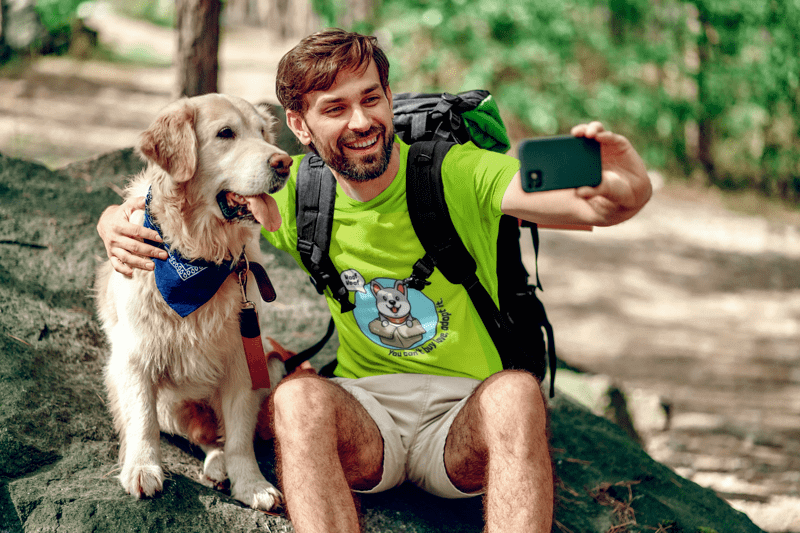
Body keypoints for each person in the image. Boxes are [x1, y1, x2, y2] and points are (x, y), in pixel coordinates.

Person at [97, 28, 652, 533]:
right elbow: (178, 200)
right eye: (334, 108)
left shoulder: (455, 172)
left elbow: (591, 208)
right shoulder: (291, 198)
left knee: (517, 393)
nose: (360, 122)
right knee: (297, 401)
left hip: (464, 418)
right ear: (301, 127)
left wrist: (627, 190)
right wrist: (111, 224)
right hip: (368, 419)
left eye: (371, 99)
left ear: (389, 99)